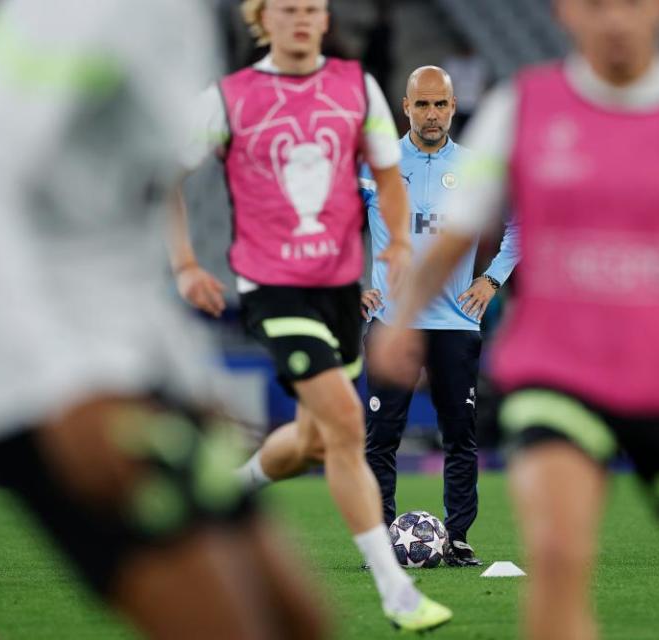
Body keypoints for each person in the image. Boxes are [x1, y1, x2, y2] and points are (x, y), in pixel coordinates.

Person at [369, 0, 659, 638]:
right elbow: (455, 233)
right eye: (596, 3)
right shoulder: (521, 109)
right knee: (555, 555)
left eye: (631, 3)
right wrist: (402, 319)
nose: (615, 19)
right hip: (557, 378)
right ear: (565, 12)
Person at [0, 1, 327, 638]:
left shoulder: (182, 18)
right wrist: (64, 385)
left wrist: (187, 380)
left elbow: (118, 235)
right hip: (28, 366)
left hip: (124, 356)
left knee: (297, 622)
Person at [171, 0, 452, 631]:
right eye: (288, 8)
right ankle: (398, 593)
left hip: (338, 289)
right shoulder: (228, 98)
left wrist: (399, 241)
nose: (301, 17)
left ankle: (226, 489)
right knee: (347, 424)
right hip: (272, 288)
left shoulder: (357, 89)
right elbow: (166, 176)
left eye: (312, 8)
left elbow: (389, 173)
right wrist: (187, 263)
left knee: (313, 439)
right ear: (261, 19)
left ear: (325, 19)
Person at [360, 66, 519, 567]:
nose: (432, 114)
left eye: (441, 105)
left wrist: (492, 279)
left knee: (460, 436)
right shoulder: (376, 166)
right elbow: (336, 224)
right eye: (422, 105)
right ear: (405, 107)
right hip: (392, 321)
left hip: (456, 321)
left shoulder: (477, 168)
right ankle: (380, 540)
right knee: (382, 435)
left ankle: (458, 537)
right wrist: (349, 285)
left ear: (453, 108)